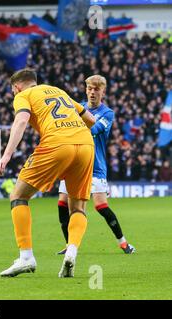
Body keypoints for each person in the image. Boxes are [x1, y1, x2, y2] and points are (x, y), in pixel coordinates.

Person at [0, 68, 96, 278]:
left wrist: (5, 156)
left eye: (13, 90)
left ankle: (26, 258)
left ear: (17, 87)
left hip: (57, 143)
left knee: (18, 196)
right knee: (78, 206)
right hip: (86, 144)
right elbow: (91, 120)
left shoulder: (23, 95)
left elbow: (21, 121)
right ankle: (72, 251)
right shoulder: (57, 91)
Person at [57, 75, 135, 255]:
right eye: (90, 89)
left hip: (95, 165)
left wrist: (71, 128)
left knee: (100, 206)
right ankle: (70, 245)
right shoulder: (79, 107)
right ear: (86, 90)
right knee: (62, 203)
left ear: (103, 92)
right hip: (73, 164)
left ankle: (123, 243)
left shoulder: (107, 113)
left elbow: (95, 129)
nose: (93, 92)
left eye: (96, 89)